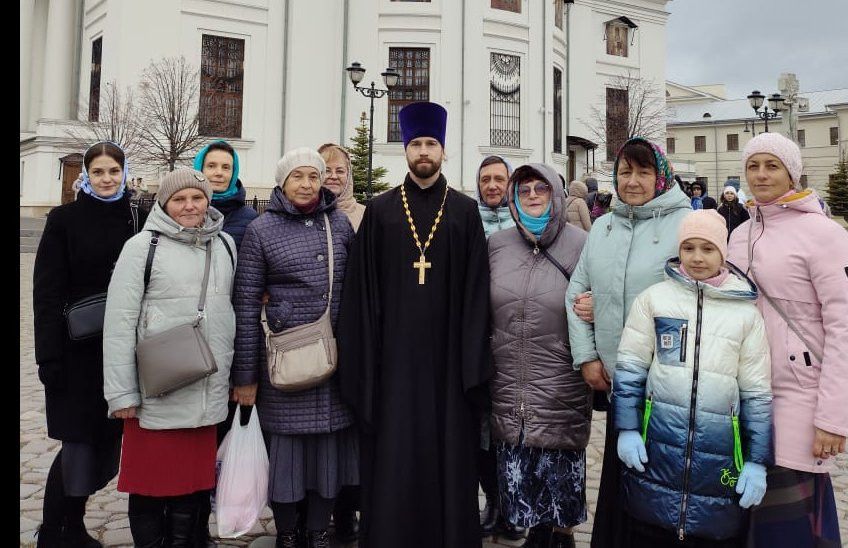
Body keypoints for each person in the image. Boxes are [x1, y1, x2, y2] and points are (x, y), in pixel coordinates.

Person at [337, 101, 492, 548]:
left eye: (431, 144)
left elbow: (477, 292)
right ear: (405, 149)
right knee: (394, 455)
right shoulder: (381, 211)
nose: (424, 151)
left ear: (443, 150)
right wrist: (366, 364)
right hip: (393, 366)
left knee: (449, 454)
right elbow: (361, 293)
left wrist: (472, 364)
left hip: (449, 366)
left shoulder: (464, 211)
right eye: (416, 144)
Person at [614, 209, 773, 547]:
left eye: (707, 248)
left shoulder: (746, 315)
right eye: (689, 248)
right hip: (658, 448)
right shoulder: (654, 300)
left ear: (723, 253)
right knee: (650, 533)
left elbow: (757, 392)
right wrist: (627, 428)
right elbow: (630, 369)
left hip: (717, 456)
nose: (697, 257)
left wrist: (757, 461)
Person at [565, 137, 691, 548]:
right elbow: (576, 293)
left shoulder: (685, 224)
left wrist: (605, 307)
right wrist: (587, 357)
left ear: (660, 177)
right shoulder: (604, 226)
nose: (632, 181)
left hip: (668, 385)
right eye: (624, 172)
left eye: (643, 172)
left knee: (662, 483)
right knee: (620, 478)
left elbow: (694, 298)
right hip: (618, 381)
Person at [103, 168, 236, 547]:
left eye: (197, 198)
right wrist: (122, 393)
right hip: (158, 390)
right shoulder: (141, 248)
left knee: (193, 487)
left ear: (208, 201)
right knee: (149, 486)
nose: (189, 206)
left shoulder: (225, 244)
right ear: (164, 203)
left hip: (206, 388)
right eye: (179, 199)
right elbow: (119, 322)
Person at [232, 148, 358, 548]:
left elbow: (358, 285)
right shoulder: (261, 230)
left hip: (333, 358)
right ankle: (287, 531)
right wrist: (245, 377)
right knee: (286, 456)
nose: (306, 184)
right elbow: (247, 303)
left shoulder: (339, 223)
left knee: (328, 455)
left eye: (313, 176)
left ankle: (317, 529)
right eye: (297, 177)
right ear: (282, 182)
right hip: (283, 359)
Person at [727, 132, 847, 547]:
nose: (761, 175)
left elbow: (843, 326)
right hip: (745, 396)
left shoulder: (825, 234)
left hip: (798, 395)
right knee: (744, 520)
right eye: (753, 166)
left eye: (772, 165)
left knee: (790, 528)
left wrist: (832, 418)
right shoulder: (739, 235)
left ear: (792, 173)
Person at [33, 141, 146, 548]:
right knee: (77, 444)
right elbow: (47, 292)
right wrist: (48, 357)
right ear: (86, 175)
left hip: (122, 352)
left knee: (105, 444)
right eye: (98, 172)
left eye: (113, 171)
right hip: (76, 352)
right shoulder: (64, 219)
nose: (106, 179)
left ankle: (72, 524)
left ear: (124, 173)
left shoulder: (137, 217)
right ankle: (56, 530)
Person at [489, 163, 590, 548]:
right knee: (521, 491)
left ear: (556, 194)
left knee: (560, 496)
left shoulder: (581, 244)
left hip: (560, 383)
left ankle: (561, 537)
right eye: (524, 189)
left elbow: (603, 295)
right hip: (509, 384)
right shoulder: (497, 245)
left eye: (541, 188)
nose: (532, 195)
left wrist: (598, 306)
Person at [474, 155, 523, 542]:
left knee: (512, 429)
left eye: (499, 179)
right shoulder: (467, 220)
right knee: (483, 430)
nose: (492, 186)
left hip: (517, 342)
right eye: (485, 179)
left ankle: (513, 503)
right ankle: (492, 498)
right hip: (479, 339)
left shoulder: (524, 224)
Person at [193, 140, 258, 249]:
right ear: (200, 169)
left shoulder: (250, 219)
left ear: (234, 173)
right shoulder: (183, 211)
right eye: (211, 166)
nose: (219, 173)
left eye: (226, 167)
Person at [318, 142, 366, 231]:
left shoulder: (365, 215)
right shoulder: (305, 214)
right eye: (327, 171)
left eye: (340, 171)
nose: (334, 176)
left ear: (348, 175)